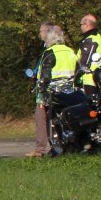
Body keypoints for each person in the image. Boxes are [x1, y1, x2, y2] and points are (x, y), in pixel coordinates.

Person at [30, 23, 80, 156]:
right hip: (69, 92)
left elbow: (45, 76)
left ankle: (41, 149)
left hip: (52, 92)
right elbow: (78, 71)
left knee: (41, 118)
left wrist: (42, 95)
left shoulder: (50, 52)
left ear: (50, 39)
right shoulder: (70, 51)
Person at [78, 13, 101, 90]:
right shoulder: (98, 38)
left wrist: (76, 76)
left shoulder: (90, 41)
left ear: (86, 25)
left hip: (87, 80)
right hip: (99, 79)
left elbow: (84, 63)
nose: (80, 27)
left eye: (81, 25)